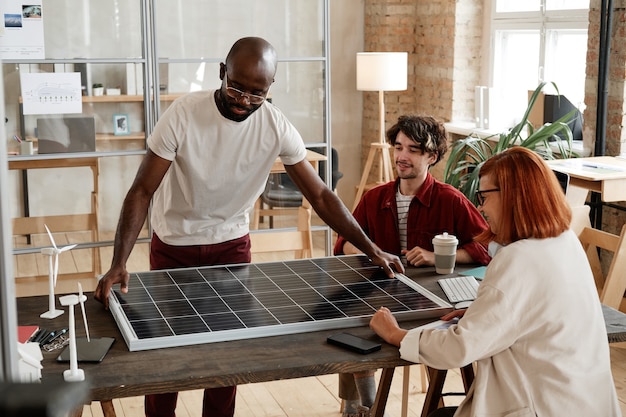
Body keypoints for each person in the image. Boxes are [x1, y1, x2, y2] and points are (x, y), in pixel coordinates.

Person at [93, 37, 403, 417]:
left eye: (257, 93)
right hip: (175, 244)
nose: (243, 100)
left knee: (228, 358)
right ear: (222, 72)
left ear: (270, 88)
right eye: (236, 86)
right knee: (166, 351)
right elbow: (142, 190)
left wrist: (371, 248)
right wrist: (119, 262)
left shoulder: (276, 126)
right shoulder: (183, 113)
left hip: (231, 246)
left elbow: (321, 196)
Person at [369, 147, 622, 417]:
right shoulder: (564, 241)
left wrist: (397, 335)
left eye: (483, 196)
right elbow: (538, 311)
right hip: (584, 403)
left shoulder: (518, 258)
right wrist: (484, 313)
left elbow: (457, 349)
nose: (480, 207)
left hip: (541, 406)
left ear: (512, 195)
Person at [334, 114, 490, 417]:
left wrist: (438, 256)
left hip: (432, 298)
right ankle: (364, 407)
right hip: (380, 292)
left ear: (432, 156)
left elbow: (484, 246)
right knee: (353, 321)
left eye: (413, 150)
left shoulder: (452, 200)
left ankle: (439, 404)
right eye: (398, 147)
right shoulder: (374, 197)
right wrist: (372, 251)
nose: (402, 156)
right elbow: (343, 244)